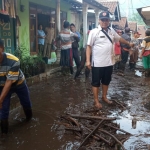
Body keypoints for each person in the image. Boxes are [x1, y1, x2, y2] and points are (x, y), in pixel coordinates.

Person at [86, 11, 134, 109]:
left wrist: (128, 44)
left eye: (106, 20)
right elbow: (89, 47)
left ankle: (104, 97)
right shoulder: (94, 32)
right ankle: (96, 100)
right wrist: (88, 61)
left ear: (109, 21)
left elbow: (119, 39)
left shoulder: (111, 30)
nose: (104, 22)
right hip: (97, 63)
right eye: (102, 20)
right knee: (96, 82)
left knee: (106, 81)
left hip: (109, 62)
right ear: (99, 20)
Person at [0, 39, 32, 136]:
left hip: (19, 84)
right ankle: (4, 135)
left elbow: (9, 82)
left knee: (26, 102)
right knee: (3, 110)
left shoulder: (14, 61)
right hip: (2, 85)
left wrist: (0, 100)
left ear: (2, 49)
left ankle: (29, 121)